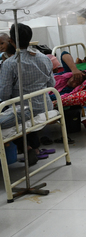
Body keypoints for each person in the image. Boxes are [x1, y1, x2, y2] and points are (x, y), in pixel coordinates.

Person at [0, 24, 55, 166]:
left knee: (8, 113)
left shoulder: (10, 63)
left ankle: (26, 148)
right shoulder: (44, 58)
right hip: (45, 106)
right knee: (20, 111)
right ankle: (33, 148)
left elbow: (4, 95)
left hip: (23, 110)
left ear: (11, 40)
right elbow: (51, 85)